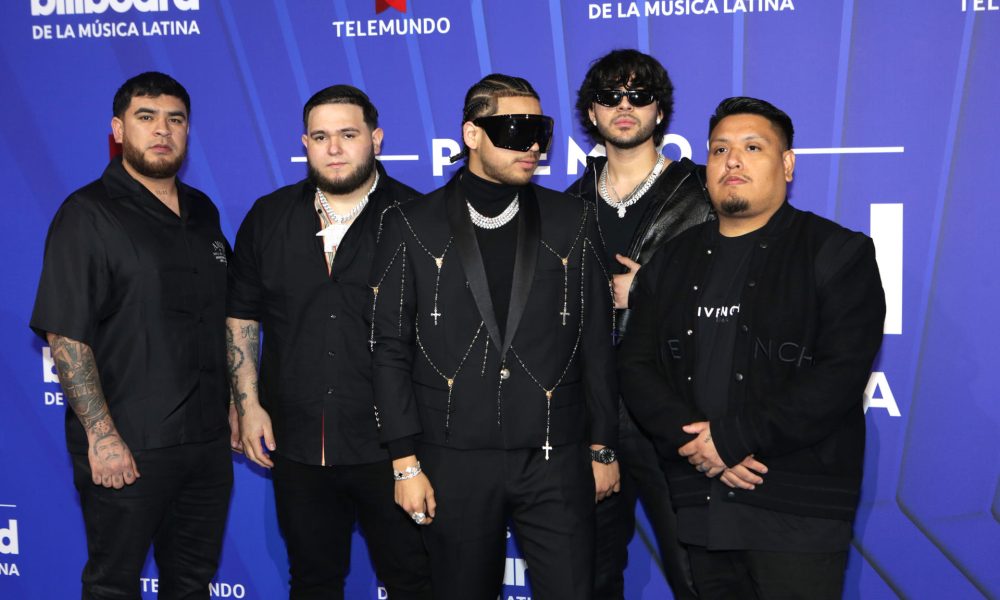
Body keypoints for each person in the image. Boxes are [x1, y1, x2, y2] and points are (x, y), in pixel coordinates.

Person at [619, 96, 886, 599]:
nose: (732, 161)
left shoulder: (838, 252)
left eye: (752, 147)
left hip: (798, 507)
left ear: (788, 164)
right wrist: (698, 443)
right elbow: (635, 365)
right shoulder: (671, 260)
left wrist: (733, 437)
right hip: (701, 500)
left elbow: (840, 373)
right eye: (719, 149)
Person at [369, 73, 619, 600]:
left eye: (541, 131)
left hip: (555, 454)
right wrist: (404, 463)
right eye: (515, 130)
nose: (532, 146)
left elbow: (596, 339)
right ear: (472, 134)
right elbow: (389, 349)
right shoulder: (410, 223)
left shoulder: (573, 219)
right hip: (451, 457)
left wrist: (602, 448)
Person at [30, 71, 236, 599]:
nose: (162, 130)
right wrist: (102, 437)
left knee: (191, 584)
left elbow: (223, 318)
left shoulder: (203, 211)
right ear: (119, 130)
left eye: (175, 119)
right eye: (146, 117)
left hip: (207, 442)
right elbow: (66, 335)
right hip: (129, 444)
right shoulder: (86, 214)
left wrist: (238, 404)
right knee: (113, 586)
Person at [225, 85, 432, 600]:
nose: (334, 148)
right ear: (305, 144)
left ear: (376, 139)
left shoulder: (420, 217)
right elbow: (242, 317)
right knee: (312, 582)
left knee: (414, 581)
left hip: (395, 446)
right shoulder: (268, 217)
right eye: (320, 137)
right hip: (297, 443)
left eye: (348, 134)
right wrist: (247, 406)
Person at [567, 48, 710, 600]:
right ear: (592, 112)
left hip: (677, 407)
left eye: (639, 95)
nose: (624, 106)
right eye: (610, 96)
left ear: (659, 110)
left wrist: (648, 291)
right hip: (591, 414)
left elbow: (744, 291)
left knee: (698, 574)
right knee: (588, 577)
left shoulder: (703, 192)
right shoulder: (567, 206)